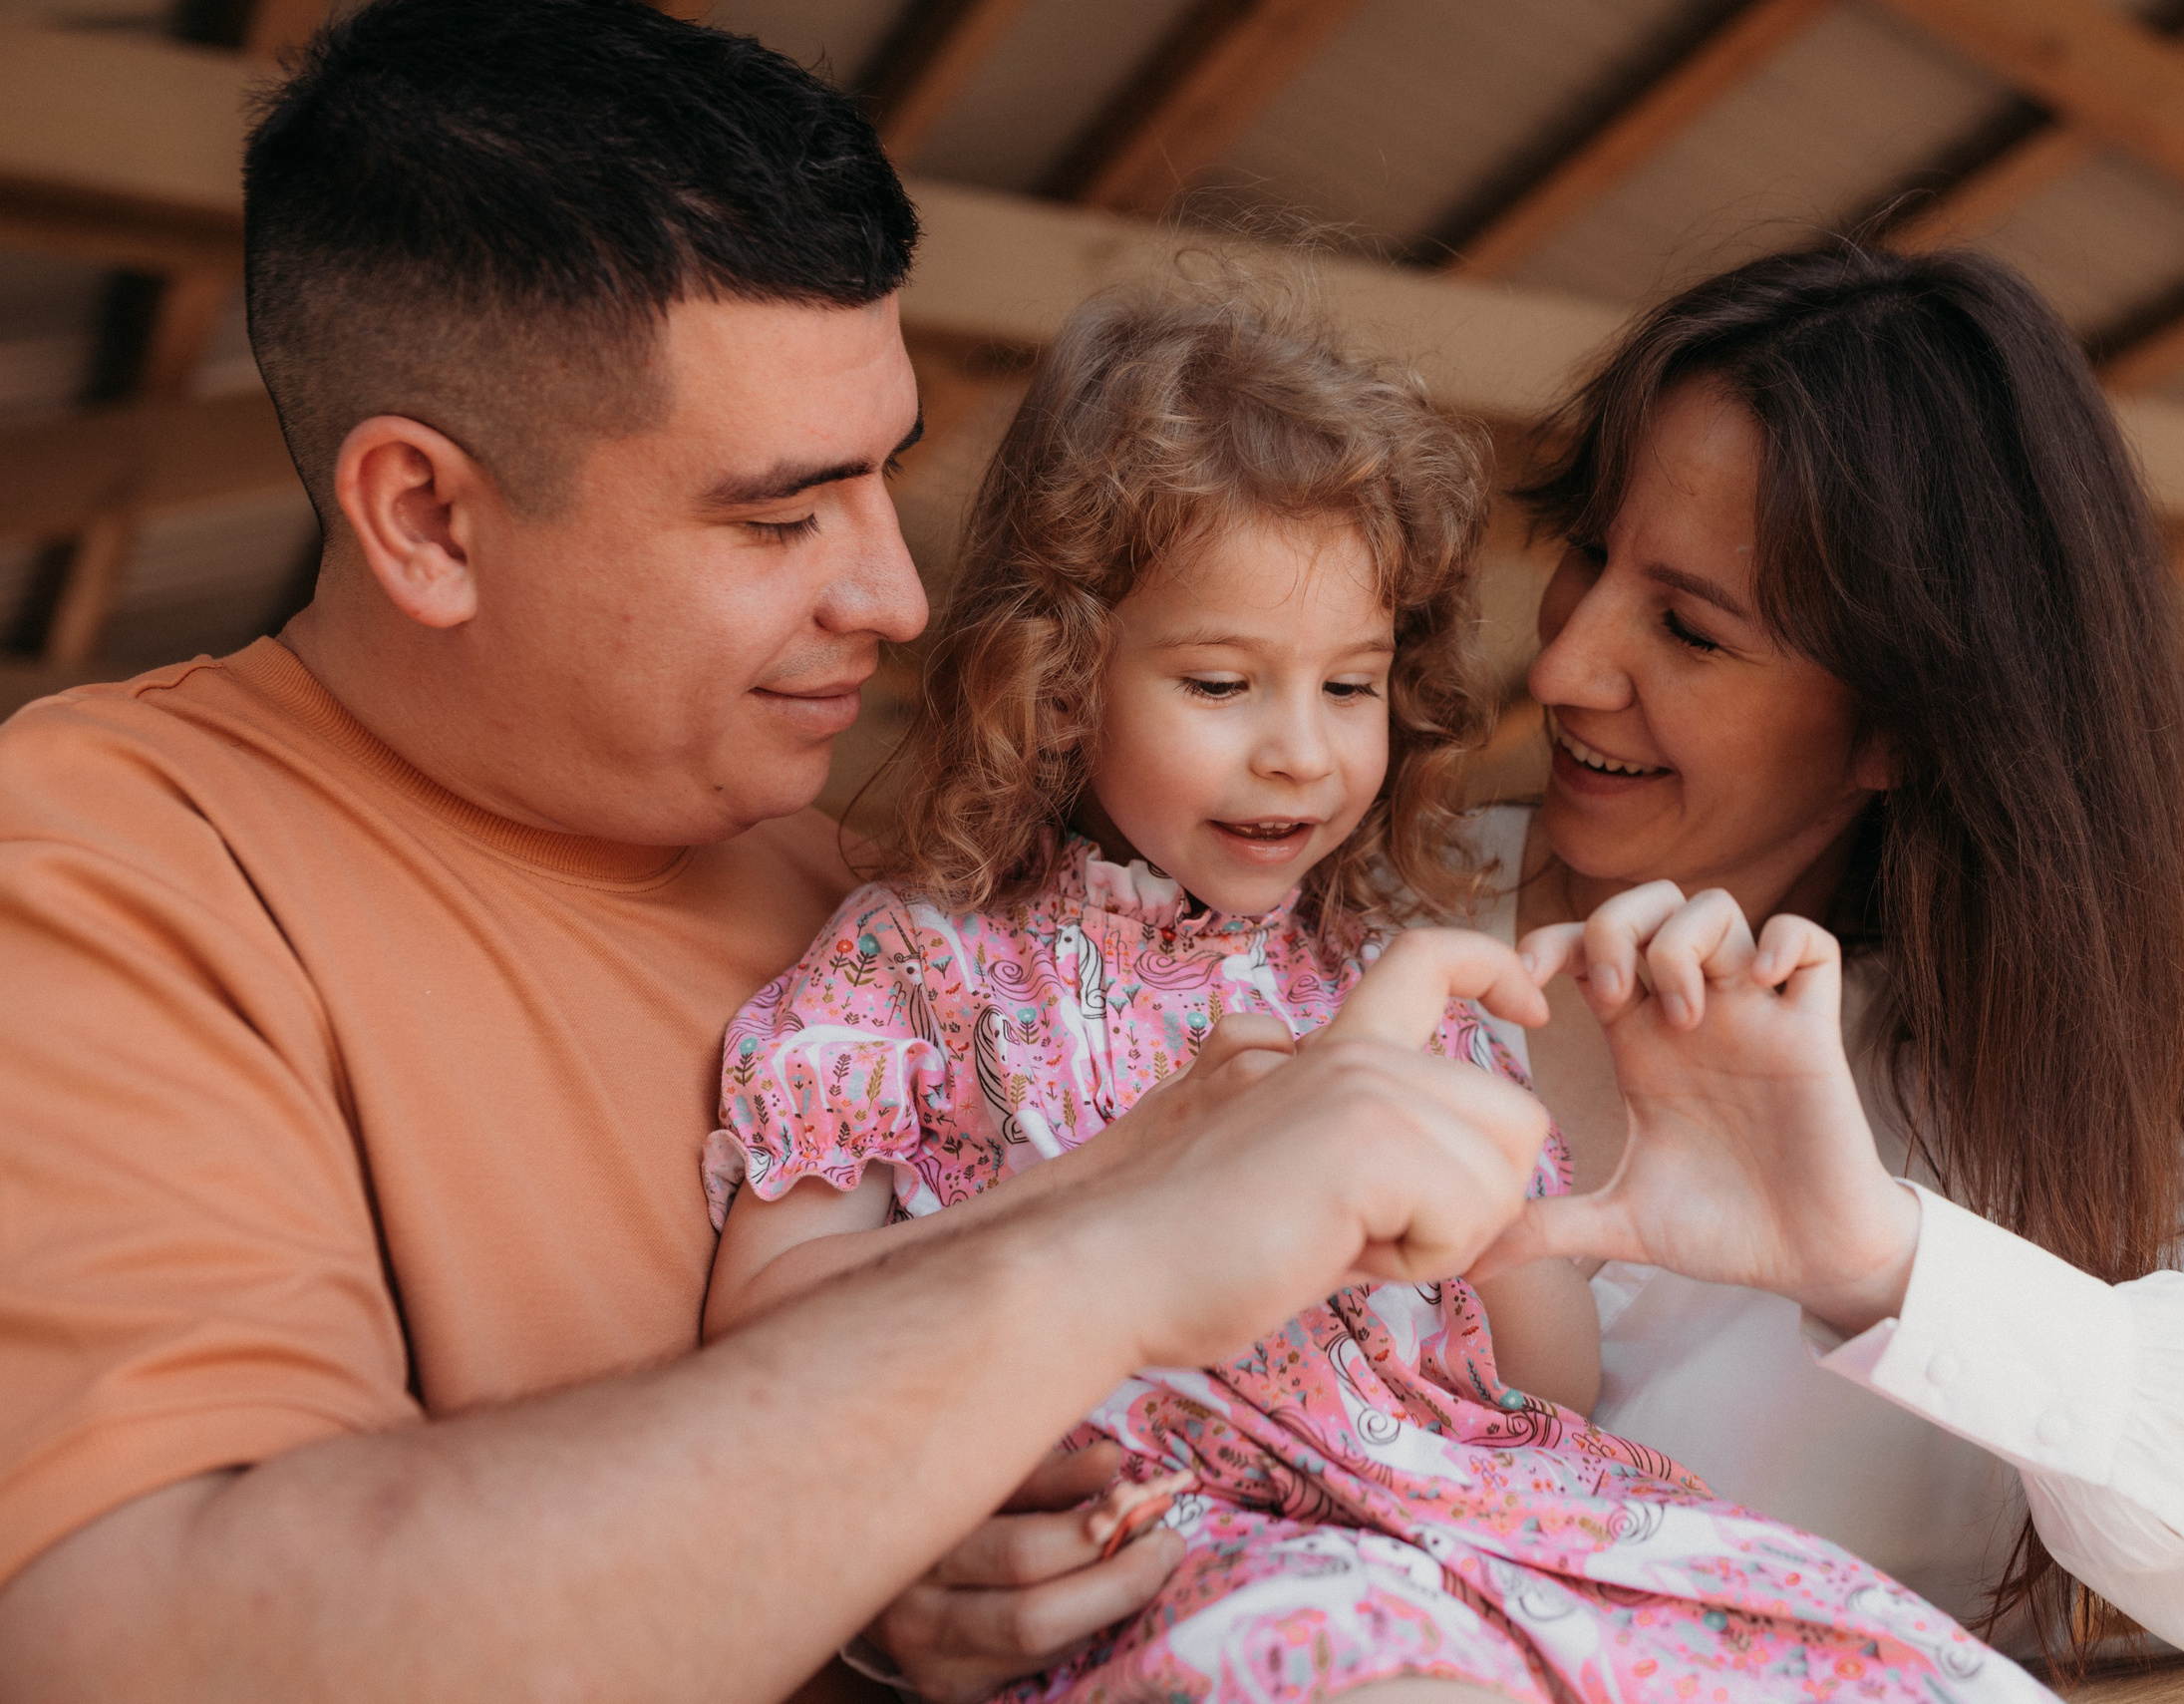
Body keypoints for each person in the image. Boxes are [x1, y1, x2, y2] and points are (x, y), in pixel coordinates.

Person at [0, 5, 1561, 1699]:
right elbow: (158, 1650)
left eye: (886, 480)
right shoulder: (110, 859)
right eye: (774, 514)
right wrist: (1102, 1249)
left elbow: (849, 1483)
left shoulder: (891, 896)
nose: (894, 598)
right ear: (429, 519)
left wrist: (881, 1568)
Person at [864, 246, 2184, 1704]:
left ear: (1906, 723)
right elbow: (921, 1329)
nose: (1560, 664)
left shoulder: (2007, 1122)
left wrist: (1882, 1261)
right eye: (1588, 556)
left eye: (1692, 631)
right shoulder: (1289, 915)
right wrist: (902, 1587)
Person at [700, 286, 2057, 1704]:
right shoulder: (919, 965)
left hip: (1494, 1518)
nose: (1302, 753)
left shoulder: (1381, 970)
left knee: (1880, 1656)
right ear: (1060, 677)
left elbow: (1546, 1387)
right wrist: (1124, 1189)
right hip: (1191, 1541)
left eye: (1350, 686)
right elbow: (763, 1334)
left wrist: (1499, 1219)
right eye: (1224, 682)